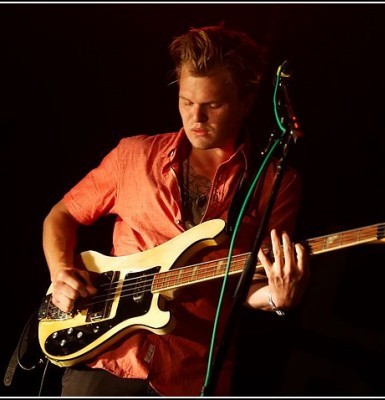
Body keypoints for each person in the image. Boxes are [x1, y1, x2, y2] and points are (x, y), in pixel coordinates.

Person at [41, 23, 310, 396]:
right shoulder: (133, 155)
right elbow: (62, 214)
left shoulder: (273, 182)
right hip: (111, 359)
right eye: (186, 102)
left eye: (212, 105)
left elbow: (250, 284)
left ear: (246, 102)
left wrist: (278, 299)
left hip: (190, 374)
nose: (195, 118)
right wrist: (60, 273)